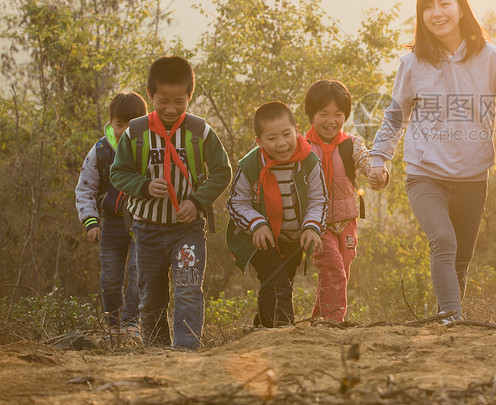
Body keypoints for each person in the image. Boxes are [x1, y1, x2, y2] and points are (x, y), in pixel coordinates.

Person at [369, 0, 496, 322]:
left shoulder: (491, 58)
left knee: (461, 257)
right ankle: (451, 316)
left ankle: (449, 322)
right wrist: (379, 157)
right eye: (428, 7)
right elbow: (395, 116)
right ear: (422, 17)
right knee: (444, 241)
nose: (436, 13)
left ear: (461, 8)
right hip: (424, 174)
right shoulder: (412, 63)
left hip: (473, 178)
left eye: (444, 3)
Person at [110, 56, 232, 349]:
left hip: (187, 229)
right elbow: (118, 173)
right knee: (150, 296)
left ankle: (186, 350)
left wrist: (197, 201)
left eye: (180, 101)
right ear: (150, 94)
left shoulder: (201, 131)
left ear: (190, 96)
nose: (170, 108)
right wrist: (144, 186)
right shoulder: (136, 132)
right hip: (146, 230)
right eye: (162, 100)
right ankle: (156, 350)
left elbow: (222, 172)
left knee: (188, 289)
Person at [226, 101, 326, 327]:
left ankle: (261, 323)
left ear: (296, 130)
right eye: (271, 139)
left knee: (282, 282)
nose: (281, 144)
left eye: (286, 135)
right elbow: (236, 202)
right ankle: (284, 332)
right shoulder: (251, 164)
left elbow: (319, 199)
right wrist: (257, 224)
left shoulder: (309, 161)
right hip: (261, 238)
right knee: (277, 282)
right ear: (259, 142)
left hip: (293, 238)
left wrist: (312, 227)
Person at [304, 79, 384, 322]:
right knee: (333, 270)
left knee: (340, 273)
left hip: (347, 220)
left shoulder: (352, 144)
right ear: (311, 114)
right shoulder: (302, 146)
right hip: (317, 223)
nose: (331, 120)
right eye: (323, 114)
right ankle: (332, 324)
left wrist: (378, 173)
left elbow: (367, 162)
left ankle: (318, 321)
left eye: (338, 114)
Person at [75, 91, 148, 333]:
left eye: (133, 125)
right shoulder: (101, 150)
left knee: (140, 273)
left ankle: (131, 322)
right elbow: (85, 186)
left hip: (143, 221)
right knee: (110, 277)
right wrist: (90, 221)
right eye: (120, 124)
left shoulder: (150, 148)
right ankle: (113, 326)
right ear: (111, 122)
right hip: (112, 222)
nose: (126, 130)